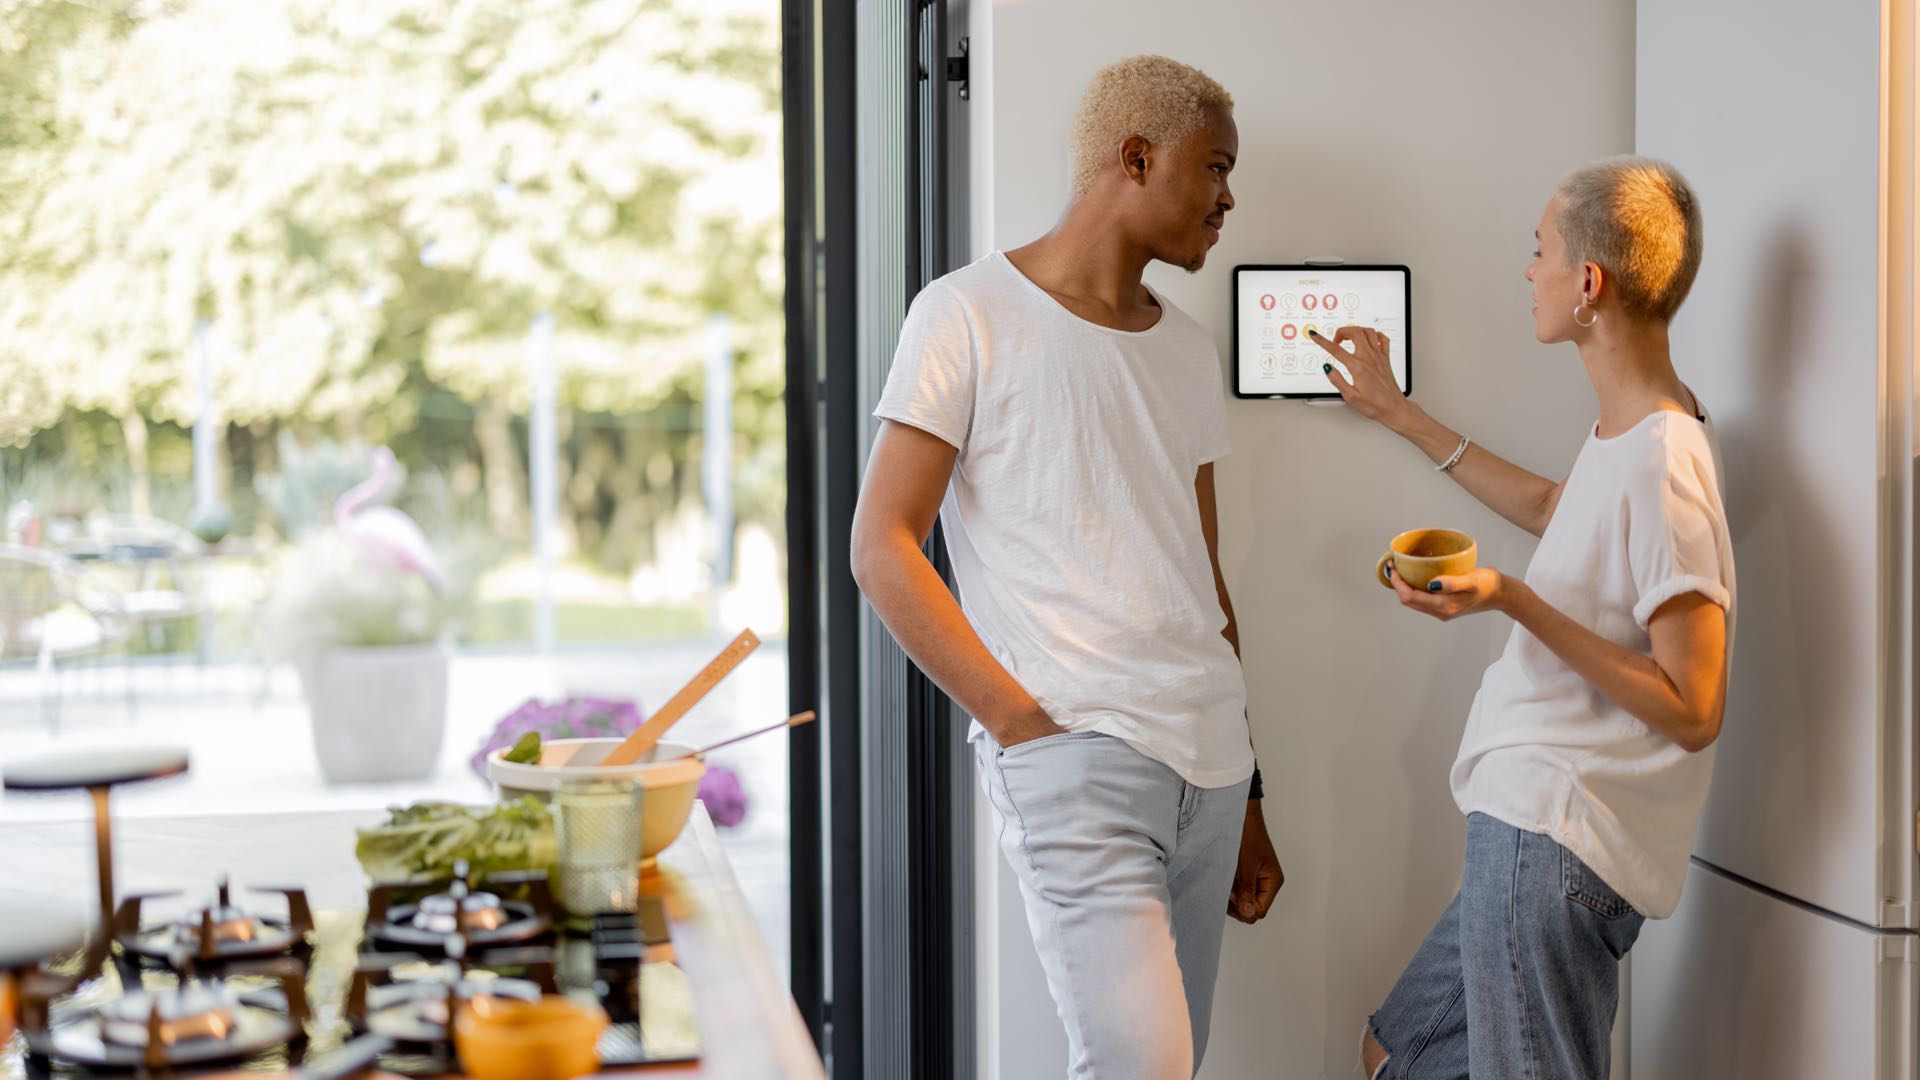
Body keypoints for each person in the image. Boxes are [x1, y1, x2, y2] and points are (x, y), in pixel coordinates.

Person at [849, 54, 1282, 1079]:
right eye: (1213, 168)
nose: (1229, 198)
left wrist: (1254, 793)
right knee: (1146, 1064)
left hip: (1212, 765)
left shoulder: (1184, 347)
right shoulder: (965, 314)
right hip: (1077, 752)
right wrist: (1022, 727)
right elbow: (883, 545)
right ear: (1135, 157)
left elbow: (1201, 579)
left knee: (1177, 1062)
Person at [1319, 157, 1734, 1080]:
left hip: (1557, 837)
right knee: (1393, 1053)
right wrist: (1401, 415)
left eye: (1537, 250)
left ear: (1589, 285)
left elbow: (1693, 705)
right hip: (1529, 828)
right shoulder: (1631, 430)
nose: (1527, 271)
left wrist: (1512, 597)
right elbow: (1557, 508)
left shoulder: (1664, 460)